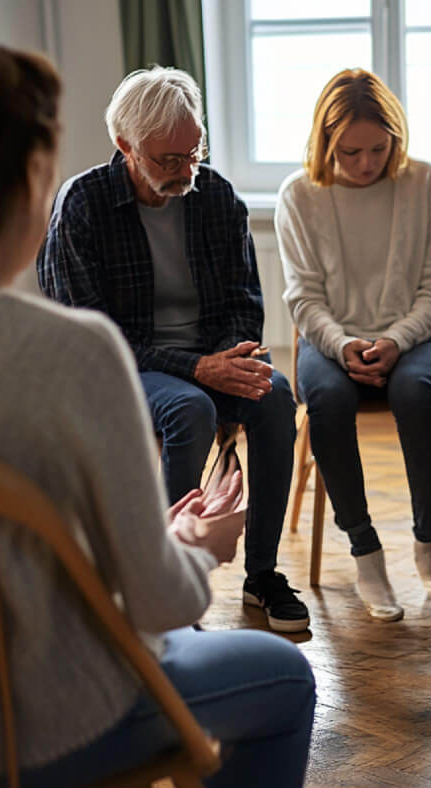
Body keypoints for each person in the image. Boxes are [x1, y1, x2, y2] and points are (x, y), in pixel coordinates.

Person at [0, 45, 315, 788]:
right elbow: (159, 603)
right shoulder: (74, 352)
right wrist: (197, 545)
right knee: (283, 679)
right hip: (47, 727)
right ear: (30, 184)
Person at [37, 66, 308, 633]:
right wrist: (198, 368)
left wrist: (230, 358)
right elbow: (94, 334)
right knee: (189, 408)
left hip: (210, 356)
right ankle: (163, 586)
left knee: (275, 396)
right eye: (169, 160)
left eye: (194, 152)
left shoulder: (216, 196)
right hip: (126, 366)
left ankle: (262, 574)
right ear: (125, 147)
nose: (187, 171)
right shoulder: (82, 203)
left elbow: (244, 301)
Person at [275, 68, 431, 622]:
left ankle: (425, 540)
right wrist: (342, 344)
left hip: (416, 335)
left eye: (379, 149)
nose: (365, 164)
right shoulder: (298, 195)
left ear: (396, 138)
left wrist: (396, 339)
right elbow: (303, 297)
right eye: (350, 152)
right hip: (331, 339)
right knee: (328, 402)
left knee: (417, 391)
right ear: (325, 142)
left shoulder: (425, 182)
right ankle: (366, 555)